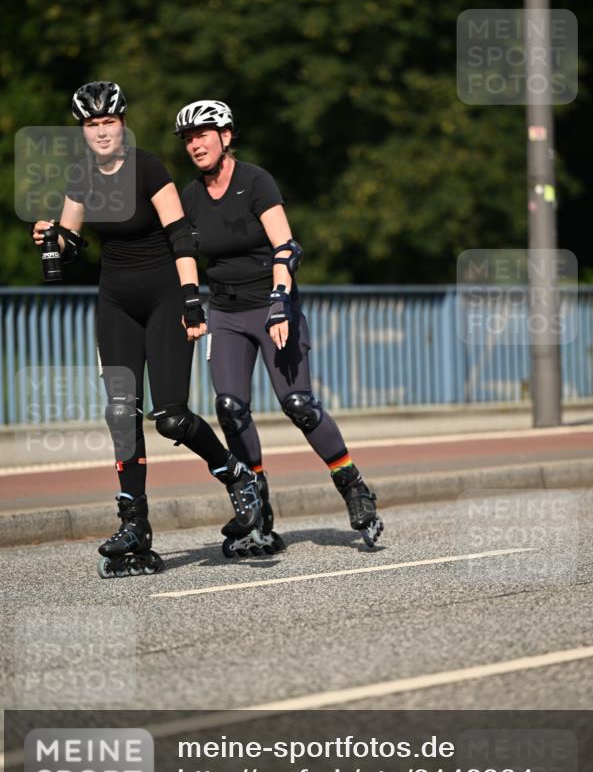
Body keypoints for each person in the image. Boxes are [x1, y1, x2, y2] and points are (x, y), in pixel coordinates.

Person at [31, 81, 263, 578]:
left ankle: (235, 476)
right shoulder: (81, 176)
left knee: (172, 418)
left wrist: (190, 300)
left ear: (123, 123)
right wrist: (52, 237)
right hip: (114, 300)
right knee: (121, 414)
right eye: (91, 125)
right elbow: (71, 242)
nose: (101, 132)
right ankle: (134, 524)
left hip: (164, 297)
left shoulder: (148, 166)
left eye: (108, 122)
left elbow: (180, 234)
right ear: (84, 131)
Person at [174, 99, 384, 552]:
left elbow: (286, 247)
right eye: (188, 138)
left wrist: (279, 301)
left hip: (272, 307)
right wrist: (190, 302)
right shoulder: (189, 195)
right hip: (225, 314)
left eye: (203, 134)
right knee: (230, 407)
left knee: (298, 404)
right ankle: (259, 508)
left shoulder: (254, 181)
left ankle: (353, 487)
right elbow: (183, 252)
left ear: (226, 136)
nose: (195, 144)